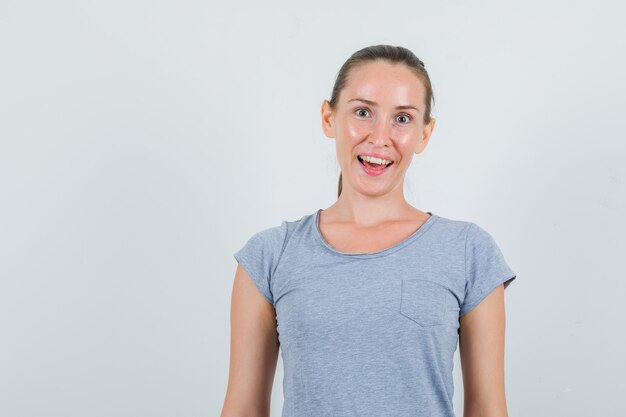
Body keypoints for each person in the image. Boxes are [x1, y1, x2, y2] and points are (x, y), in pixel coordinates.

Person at [221, 44, 517, 417]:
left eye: (403, 119)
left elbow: (488, 409)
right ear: (328, 118)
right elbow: (242, 409)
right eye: (363, 112)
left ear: (425, 134)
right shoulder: (268, 256)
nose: (380, 137)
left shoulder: (469, 252)